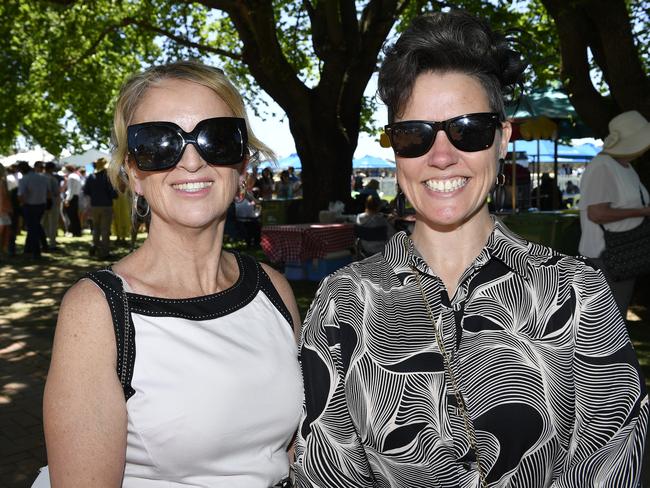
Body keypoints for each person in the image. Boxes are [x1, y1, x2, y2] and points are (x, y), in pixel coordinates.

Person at [294, 11, 648, 488]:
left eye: (469, 129)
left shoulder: (576, 293)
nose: (441, 155)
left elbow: (612, 467)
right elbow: (325, 472)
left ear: (502, 139)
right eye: (414, 135)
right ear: (395, 151)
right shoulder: (345, 303)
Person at [43, 60, 303, 487]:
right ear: (134, 174)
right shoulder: (99, 312)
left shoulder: (272, 289)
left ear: (240, 164)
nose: (192, 161)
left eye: (216, 138)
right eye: (159, 144)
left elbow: (286, 453)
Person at [578, 110, 650, 317]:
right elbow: (597, 214)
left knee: (612, 322)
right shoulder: (602, 166)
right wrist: (642, 211)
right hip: (605, 259)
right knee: (603, 326)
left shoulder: (624, 166)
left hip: (622, 255)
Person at [83, 157, 118, 258]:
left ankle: (95, 247)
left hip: (94, 206)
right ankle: (104, 252)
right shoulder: (107, 177)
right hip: (106, 206)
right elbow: (114, 194)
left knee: (96, 228)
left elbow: (86, 192)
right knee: (105, 230)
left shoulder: (91, 176)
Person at [17, 161, 51, 259]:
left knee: (33, 228)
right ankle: (37, 247)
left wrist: (22, 204)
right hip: (41, 205)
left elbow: (20, 195)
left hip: (30, 206)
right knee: (36, 226)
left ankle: (36, 252)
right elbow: (48, 193)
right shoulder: (43, 177)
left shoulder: (24, 179)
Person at [62, 164, 83, 236]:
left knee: (71, 216)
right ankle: (77, 231)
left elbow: (70, 190)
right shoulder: (76, 176)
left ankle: (75, 231)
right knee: (74, 216)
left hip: (71, 197)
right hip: (76, 197)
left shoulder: (71, 177)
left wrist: (67, 200)